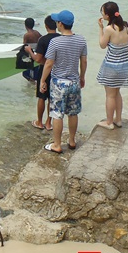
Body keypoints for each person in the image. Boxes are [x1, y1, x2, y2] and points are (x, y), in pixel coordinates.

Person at [39, 10, 87, 154]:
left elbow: (48, 64)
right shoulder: (81, 40)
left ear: (60, 24)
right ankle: (72, 141)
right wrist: (82, 77)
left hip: (59, 83)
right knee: (73, 113)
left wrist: (42, 80)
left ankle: (57, 144)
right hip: (74, 82)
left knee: (57, 114)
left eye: (57, 21)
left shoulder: (55, 41)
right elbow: (84, 61)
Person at [96, 1, 128, 129]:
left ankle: (109, 122)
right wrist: (122, 55)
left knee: (110, 95)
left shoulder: (109, 29)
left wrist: (100, 28)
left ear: (107, 15)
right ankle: (118, 119)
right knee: (117, 92)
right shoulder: (127, 27)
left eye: (102, 12)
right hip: (125, 65)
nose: (101, 14)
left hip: (112, 66)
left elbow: (102, 45)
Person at [25, 15, 59, 130]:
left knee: (41, 97)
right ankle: (49, 123)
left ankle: (39, 122)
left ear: (46, 26)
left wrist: (30, 51)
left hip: (44, 69)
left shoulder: (43, 40)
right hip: (56, 71)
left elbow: (38, 59)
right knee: (51, 98)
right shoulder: (60, 38)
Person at [21, 17, 42, 82]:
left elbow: (24, 46)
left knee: (25, 73)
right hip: (37, 54)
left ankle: (32, 84)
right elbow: (42, 40)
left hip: (31, 56)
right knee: (35, 72)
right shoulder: (37, 32)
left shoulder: (26, 35)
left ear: (25, 25)